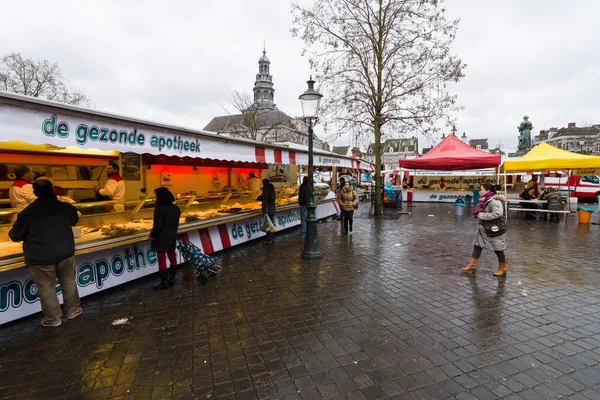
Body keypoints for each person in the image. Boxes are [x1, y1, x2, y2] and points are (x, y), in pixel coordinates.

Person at [8, 179, 81, 327]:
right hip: (66, 252)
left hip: (40, 256)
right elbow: (75, 220)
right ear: (53, 190)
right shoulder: (65, 207)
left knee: (46, 287)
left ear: (35, 193)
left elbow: (15, 235)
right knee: (69, 281)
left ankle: (53, 319)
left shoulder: (27, 213)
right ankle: (73, 310)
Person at [462, 183, 508, 277]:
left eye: (481, 189)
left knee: (498, 248)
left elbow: (498, 213)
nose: (480, 191)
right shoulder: (484, 200)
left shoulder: (494, 201)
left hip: (494, 229)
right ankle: (472, 264)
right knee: (477, 246)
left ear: (488, 190)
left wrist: (482, 216)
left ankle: (502, 267)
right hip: (483, 228)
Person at [150, 187, 181, 290]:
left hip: (161, 237)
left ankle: (164, 282)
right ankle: (172, 278)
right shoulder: (176, 208)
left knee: (161, 257)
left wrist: (153, 235)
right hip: (172, 235)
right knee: (172, 254)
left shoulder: (159, 208)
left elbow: (157, 225)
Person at [258, 178, 276, 244]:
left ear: (263, 183)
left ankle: (269, 239)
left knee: (268, 224)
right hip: (272, 208)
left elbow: (265, 200)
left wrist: (265, 210)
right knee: (271, 223)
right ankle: (272, 237)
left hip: (268, 209)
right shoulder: (272, 188)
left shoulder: (266, 189)